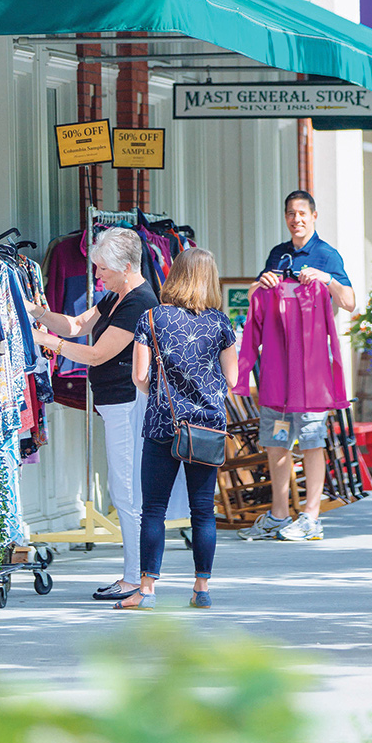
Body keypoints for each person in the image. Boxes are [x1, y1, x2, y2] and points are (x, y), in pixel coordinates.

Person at [32, 226, 158, 602]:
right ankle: (132, 575)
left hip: (127, 405)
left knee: (126, 493)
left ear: (125, 266)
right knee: (125, 491)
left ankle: (135, 578)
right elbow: (74, 325)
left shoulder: (139, 302)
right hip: (115, 405)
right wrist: (36, 313)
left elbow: (95, 353)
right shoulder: (115, 297)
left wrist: (49, 343)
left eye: (102, 268)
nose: (97, 275)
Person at [113, 247, 238, 611]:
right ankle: (201, 588)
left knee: (153, 509)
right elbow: (231, 377)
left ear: (176, 275)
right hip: (206, 429)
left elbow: (139, 376)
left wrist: (165, 393)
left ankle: (147, 590)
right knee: (203, 509)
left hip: (162, 424)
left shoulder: (151, 319)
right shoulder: (220, 324)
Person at [238, 189, 355, 544]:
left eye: (302, 213)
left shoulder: (326, 254)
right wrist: (262, 282)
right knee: (276, 442)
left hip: (312, 374)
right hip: (276, 371)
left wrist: (326, 279)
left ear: (314, 216)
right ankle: (278, 513)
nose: (296, 219)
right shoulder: (278, 254)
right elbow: (255, 298)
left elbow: (350, 302)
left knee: (310, 441)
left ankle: (311, 516)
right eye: (291, 213)